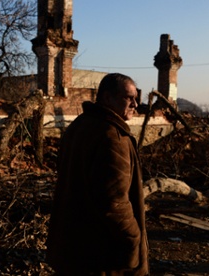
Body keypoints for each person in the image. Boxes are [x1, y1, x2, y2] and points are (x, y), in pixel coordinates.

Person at [46, 73, 149, 275]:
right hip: (101, 254)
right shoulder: (113, 137)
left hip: (72, 246)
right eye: (129, 98)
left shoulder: (78, 126)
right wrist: (133, 239)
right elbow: (114, 203)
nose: (135, 104)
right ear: (108, 98)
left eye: (136, 98)